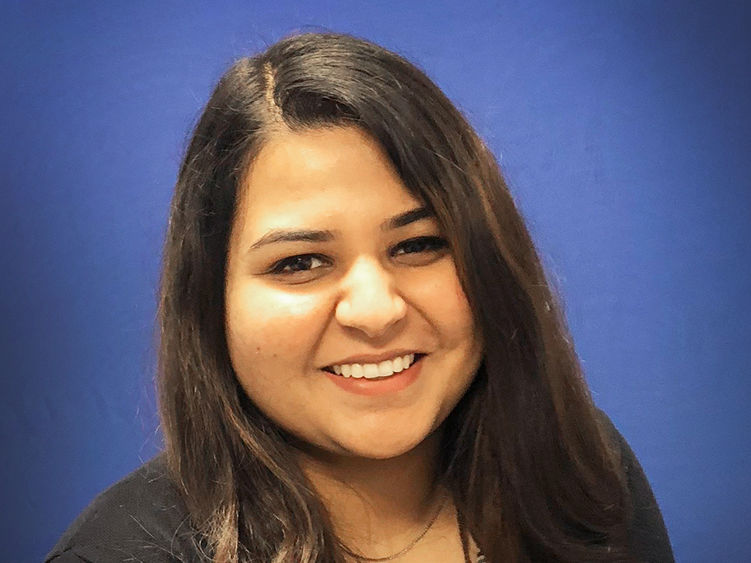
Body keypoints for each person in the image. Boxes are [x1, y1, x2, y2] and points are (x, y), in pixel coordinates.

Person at [47, 32, 674, 562]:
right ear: (210, 304)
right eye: (300, 262)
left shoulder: (580, 467)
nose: (377, 311)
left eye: (418, 245)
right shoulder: (122, 551)